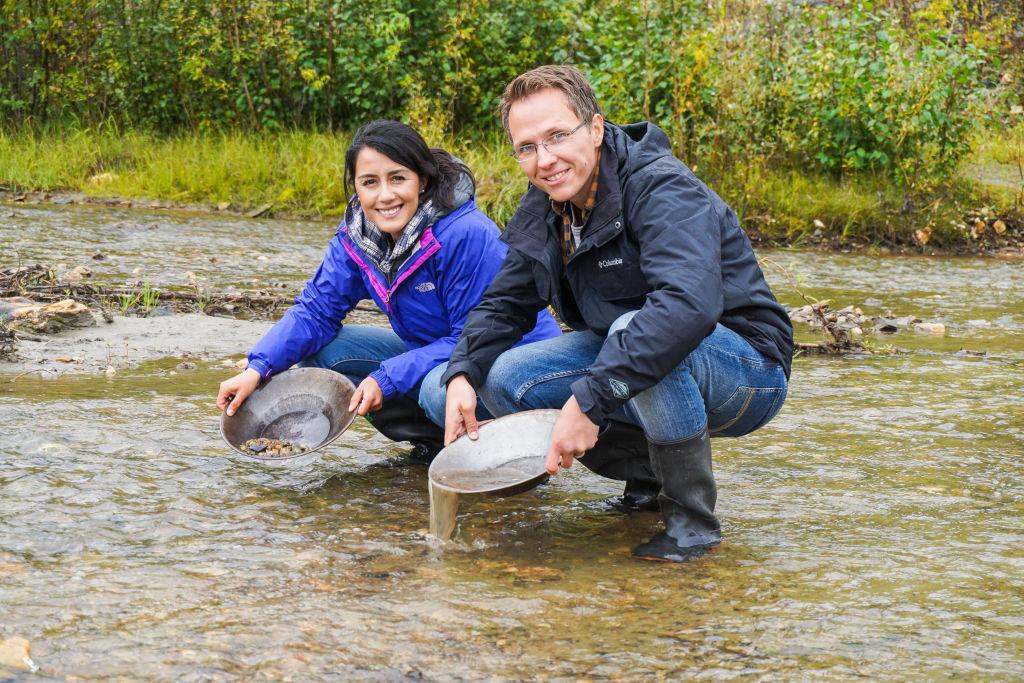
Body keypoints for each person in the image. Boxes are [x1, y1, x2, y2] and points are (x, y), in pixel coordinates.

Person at [441, 66, 794, 561]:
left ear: (596, 128)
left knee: (635, 330)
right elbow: (505, 301)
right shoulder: (545, 205)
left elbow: (685, 308)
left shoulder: (662, 187)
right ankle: (646, 481)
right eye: (527, 147)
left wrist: (589, 401)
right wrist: (462, 372)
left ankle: (693, 527)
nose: (545, 159)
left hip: (746, 369)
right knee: (506, 377)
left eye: (557, 136)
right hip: (645, 358)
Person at [217, 119, 562, 462]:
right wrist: (257, 368)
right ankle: (433, 444)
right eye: (370, 182)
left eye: (397, 178)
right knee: (326, 353)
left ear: (421, 180)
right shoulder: (358, 237)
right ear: (356, 187)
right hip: (439, 355)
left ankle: (505, 454)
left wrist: (388, 377)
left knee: (435, 390)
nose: (385, 196)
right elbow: (316, 310)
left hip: (508, 362)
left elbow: (470, 340)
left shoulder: (464, 234)